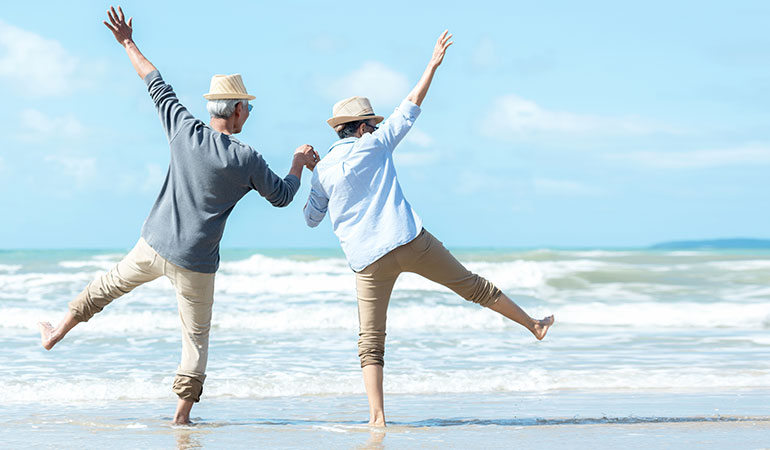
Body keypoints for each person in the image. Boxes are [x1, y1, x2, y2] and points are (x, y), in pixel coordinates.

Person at [37, 6, 319, 425]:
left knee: (106, 286)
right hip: (197, 262)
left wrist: (127, 41)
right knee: (195, 339)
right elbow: (282, 196)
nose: (248, 115)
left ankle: (56, 331)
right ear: (238, 110)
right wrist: (298, 162)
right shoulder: (246, 159)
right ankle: (180, 418)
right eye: (248, 109)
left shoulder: (183, 128)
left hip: (154, 244)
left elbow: (153, 81)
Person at [303, 30, 554, 426]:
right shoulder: (376, 144)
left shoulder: (323, 171)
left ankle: (377, 417)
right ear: (364, 127)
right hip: (408, 239)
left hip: (367, 261)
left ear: (341, 130)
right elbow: (411, 105)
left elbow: (312, 218)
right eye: (371, 122)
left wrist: (307, 168)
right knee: (472, 286)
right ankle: (534, 325)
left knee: (371, 342)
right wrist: (433, 64)